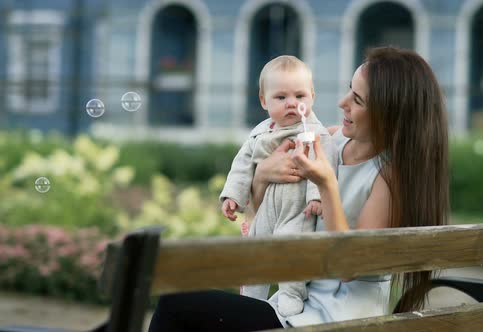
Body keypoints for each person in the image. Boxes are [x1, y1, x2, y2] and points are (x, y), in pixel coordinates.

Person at [148, 46, 449, 332]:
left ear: (389, 114)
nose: (342, 102)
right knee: (184, 306)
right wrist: (262, 176)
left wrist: (326, 184)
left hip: (336, 319)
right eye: (349, 89)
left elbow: (349, 267)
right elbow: (265, 210)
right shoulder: (329, 141)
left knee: (176, 306)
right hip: (293, 307)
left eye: (357, 100)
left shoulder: (388, 176)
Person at [219, 55, 337, 317]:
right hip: (265, 208)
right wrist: (233, 196)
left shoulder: (315, 133)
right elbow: (242, 166)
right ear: (264, 101)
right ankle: (251, 297)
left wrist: (316, 197)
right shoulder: (260, 133)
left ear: (312, 97)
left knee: (291, 249)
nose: (292, 103)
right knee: (255, 251)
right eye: (281, 98)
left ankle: (291, 294)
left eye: (300, 96)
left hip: (296, 207)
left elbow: (325, 163)